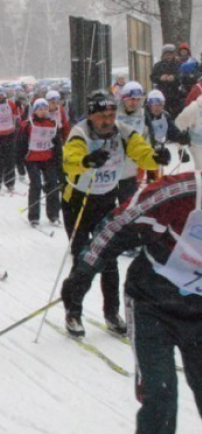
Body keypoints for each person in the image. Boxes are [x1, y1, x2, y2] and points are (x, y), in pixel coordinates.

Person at [61, 171, 202, 434]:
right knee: (160, 392)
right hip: (152, 301)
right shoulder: (178, 192)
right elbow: (115, 225)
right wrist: (81, 276)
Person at [60, 89, 167, 337]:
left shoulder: (123, 132)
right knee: (83, 258)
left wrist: (156, 157)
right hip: (79, 201)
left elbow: (142, 153)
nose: (107, 120)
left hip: (107, 198)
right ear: (91, 115)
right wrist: (87, 161)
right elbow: (69, 160)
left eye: (111, 114)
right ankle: (73, 313)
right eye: (102, 116)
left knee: (109, 259)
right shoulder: (80, 133)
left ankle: (111, 313)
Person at [18, 99, 61, 226]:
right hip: (32, 159)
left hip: (47, 159)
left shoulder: (52, 123)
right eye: (40, 109)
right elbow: (20, 144)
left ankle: (54, 215)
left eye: (45, 109)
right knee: (36, 184)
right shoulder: (28, 124)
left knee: (53, 185)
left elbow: (57, 143)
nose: (43, 112)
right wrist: (20, 162)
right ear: (35, 110)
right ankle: (34, 216)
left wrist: (58, 160)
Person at [115, 81, 149, 204]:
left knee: (128, 205)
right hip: (111, 168)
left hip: (129, 170)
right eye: (130, 99)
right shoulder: (113, 113)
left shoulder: (144, 115)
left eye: (137, 100)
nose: (133, 103)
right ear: (123, 99)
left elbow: (149, 138)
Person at [150, 44, 182, 117]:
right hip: (162, 93)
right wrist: (160, 78)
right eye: (166, 54)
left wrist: (174, 78)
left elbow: (183, 77)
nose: (168, 56)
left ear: (174, 54)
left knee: (176, 115)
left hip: (176, 94)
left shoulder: (179, 64)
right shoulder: (158, 65)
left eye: (170, 53)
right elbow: (152, 77)